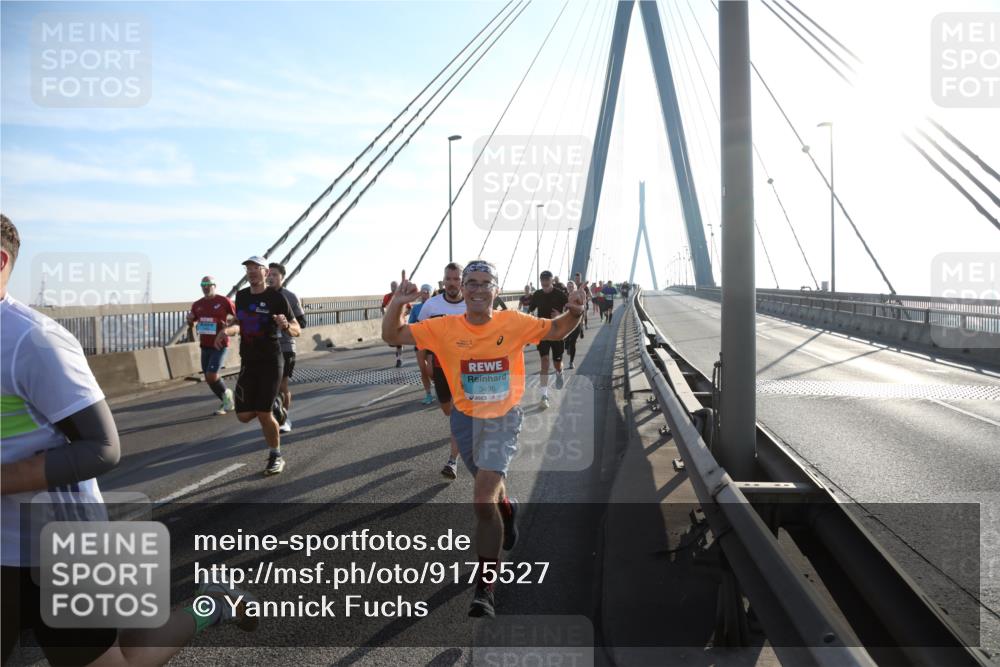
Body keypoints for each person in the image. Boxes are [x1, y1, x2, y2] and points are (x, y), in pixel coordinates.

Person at [0, 214, 256, 667]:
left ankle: (215, 604)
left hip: (60, 546)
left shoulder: (33, 341)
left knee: (125, 657)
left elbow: (102, 448)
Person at [382, 260, 587, 618]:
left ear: (497, 289)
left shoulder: (514, 322)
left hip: (503, 418)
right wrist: (398, 303)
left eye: (485, 283)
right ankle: (508, 509)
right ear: (462, 288)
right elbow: (393, 336)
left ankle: (485, 587)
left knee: (480, 500)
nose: (478, 289)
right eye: (471, 283)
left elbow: (556, 330)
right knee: (490, 492)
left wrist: (576, 312)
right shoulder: (443, 327)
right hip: (465, 419)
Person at [218, 256, 299, 476]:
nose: (252, 272)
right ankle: (275, 405)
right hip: (248, 361)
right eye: (248, 269)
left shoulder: (277, 298)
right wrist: (227, 330)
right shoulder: (242, 296)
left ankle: (276, 456)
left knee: (263, 413)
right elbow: (239, 323)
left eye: (256, 268)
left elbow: (297, 329)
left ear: (266, 272)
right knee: (244, 416)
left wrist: (285, 325)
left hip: (271, 361)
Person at [417, 262, 466, 479]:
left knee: (457, 414)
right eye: (449, 279)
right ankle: (463, 432)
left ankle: (452, 461)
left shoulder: (471, 304)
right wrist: (425, 362)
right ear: (443, 280)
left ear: (462, 281)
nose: (452, 283)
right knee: (447, 409)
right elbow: (421, 336)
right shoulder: (431, 306)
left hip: (466, 369)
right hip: (439, 366)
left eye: (456, 279)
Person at [186, 276, 237, 415]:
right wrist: (189, 320)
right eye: (203, 284)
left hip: (220, 344)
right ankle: (226, 400)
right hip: (205, 345)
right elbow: (191, 323)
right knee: (209, 378)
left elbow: (239, 316)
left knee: (212, 375)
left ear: (215, 285)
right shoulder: (197, 304)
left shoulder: (224, 301)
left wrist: (229, 326)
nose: (205, 286)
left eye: (208, 284)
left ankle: (227, 396)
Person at [267, 263, 307, 434]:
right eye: (268, 274)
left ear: (282, 277)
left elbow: (302, 323)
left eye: (275, 274)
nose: (270, 277)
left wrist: (284, 323)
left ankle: (284, 419)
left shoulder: (290, 296)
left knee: (282, 386)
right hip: (266, 347)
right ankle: (275, 414)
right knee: (269, 387)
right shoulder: (260, 295)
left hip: (285, 346)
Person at [528, 270, 568, 409]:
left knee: (557, 364)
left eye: (547, 280)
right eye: (542, 280)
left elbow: (570, 310)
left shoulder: (560, 294)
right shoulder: (537, 295)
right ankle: (544, 396)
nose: (544, 283)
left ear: (551, 281)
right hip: (543, 332)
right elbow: (530, 310)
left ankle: (559, 372)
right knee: (544, 362)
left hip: (557, 333)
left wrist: (560, 314)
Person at [408, 284, 434, 405]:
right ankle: (428, 394)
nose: (424, 294)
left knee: (431, 371)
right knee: (423, 370)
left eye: (427, 292)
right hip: (420, 341)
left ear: (431, 293)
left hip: (433, 342)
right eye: (423, 292)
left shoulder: (435, 306)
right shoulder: (416, 308)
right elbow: (411, 323)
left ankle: (438, 384)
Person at [382, 281, 403, 367]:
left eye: (395, 286)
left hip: (399, 322)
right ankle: (398, 356)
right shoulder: (387, 296)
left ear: (398, 287)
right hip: (390, 322)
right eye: (392, 286)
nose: (393, 288)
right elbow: (382, 307)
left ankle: (399, 359)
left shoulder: (401, 296)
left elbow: (409, 308)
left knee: (399, 342)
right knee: (392, 343)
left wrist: (403, 314)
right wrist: (385, 314)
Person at [563, 280, 583, 369]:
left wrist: (581, 326)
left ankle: (571, 362)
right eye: (568, 286)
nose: (570, 288)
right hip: (566, 322)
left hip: (576, 322)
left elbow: (582, 309)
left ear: (574, 287)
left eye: (571, 286)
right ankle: (567, 346)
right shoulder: (564, 296)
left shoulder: (578, 296)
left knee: (573, 342)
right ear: (567, 288)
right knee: (566, 342)